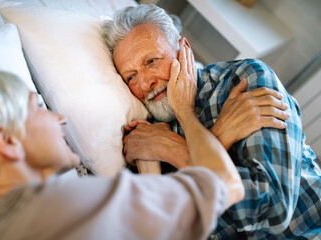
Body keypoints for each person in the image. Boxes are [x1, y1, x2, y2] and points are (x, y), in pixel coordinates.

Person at [101, 4, 321, 239]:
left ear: (183, 50)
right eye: (131, 77)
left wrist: (174, 144)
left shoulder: (245, 79)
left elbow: (270, 209)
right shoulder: (147, 136)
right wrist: (219, 136)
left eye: (152, 61)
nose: (145, 84)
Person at [0, 66, 245, 239]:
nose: (59, 117)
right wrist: (184, 111)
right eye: (37, 108)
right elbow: (227, 185)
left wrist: (150, 161)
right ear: (3, 139)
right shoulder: (70, 205)